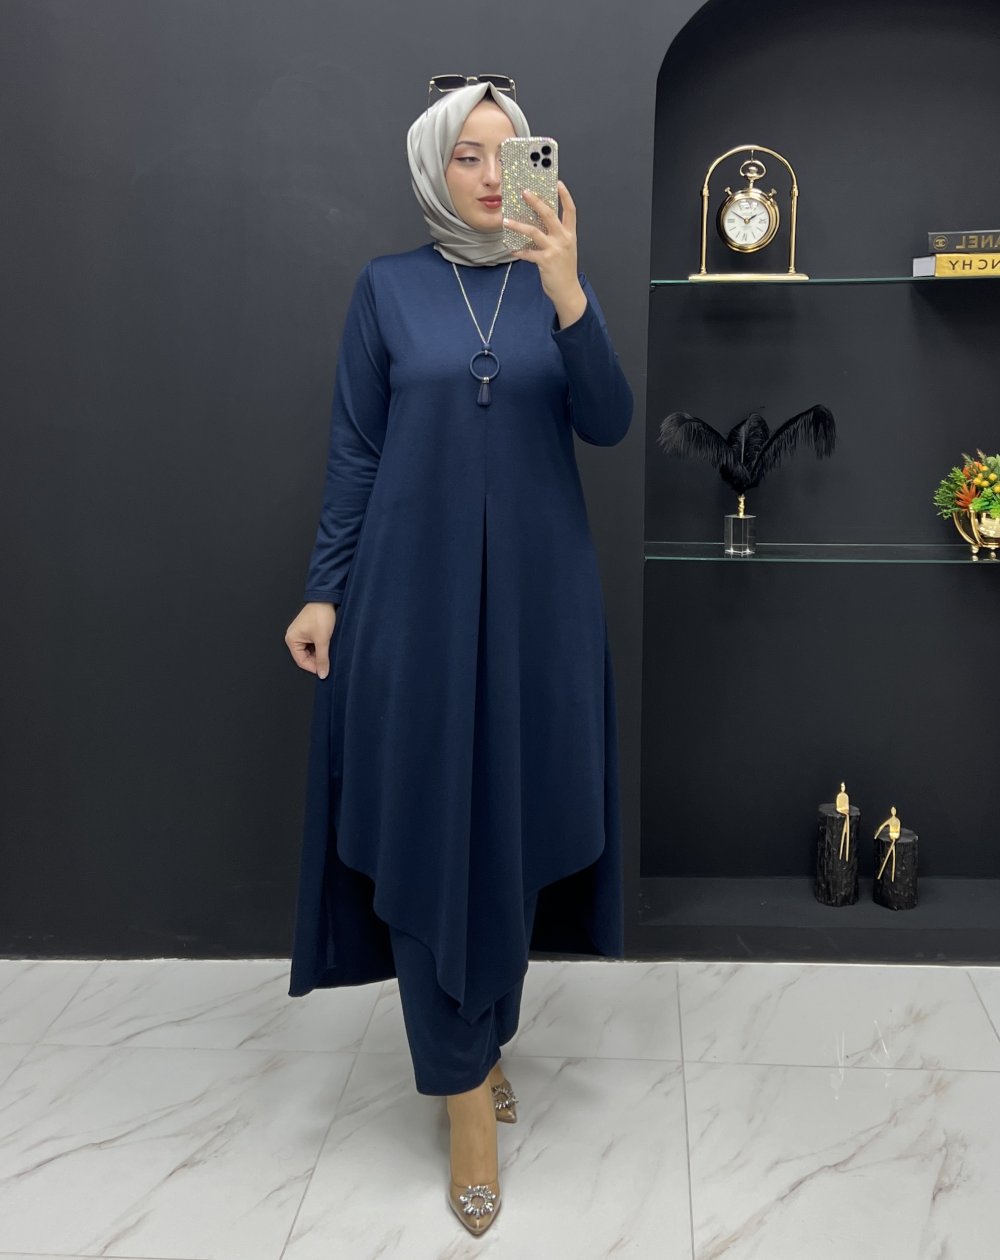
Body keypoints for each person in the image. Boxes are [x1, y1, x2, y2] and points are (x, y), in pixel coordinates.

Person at [283, 77, 633, 1236]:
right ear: (434, 167)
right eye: (467, 155)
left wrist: (570, 291)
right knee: (430, 823)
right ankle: (464, 1096)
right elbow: (355, 452)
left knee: (511, 823)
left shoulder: (550, 283)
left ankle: (483, 1040)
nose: (490, 176)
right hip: (412, 601)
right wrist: (323, 592)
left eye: (509, 153)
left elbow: (609, 420)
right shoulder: (385, 288)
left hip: (537, 603)